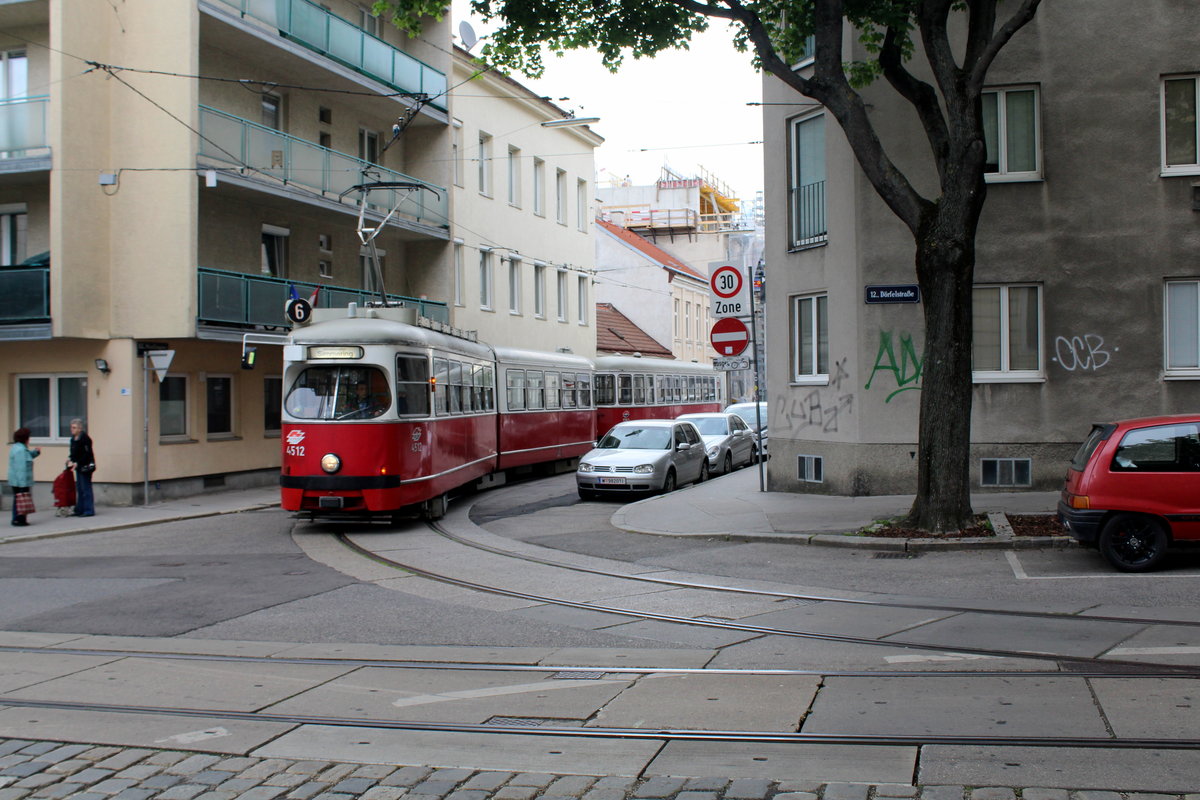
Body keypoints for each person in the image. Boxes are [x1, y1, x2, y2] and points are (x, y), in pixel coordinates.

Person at [8, 427, 40, 527]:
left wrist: (35, 452)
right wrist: (22, 485)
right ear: (25, 438)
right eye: (28, 437)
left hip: (16, 480)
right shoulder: (20, 450)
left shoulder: (19, 448)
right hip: (21, 481)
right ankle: (19, 520)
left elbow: (28, 456)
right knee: (21, 500)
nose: (29, 439)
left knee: (17, 500)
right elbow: (21, 468)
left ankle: (17, 519)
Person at [66, 418, 95, 517]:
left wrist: (78, 462)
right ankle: (80, 509)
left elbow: (87, 454)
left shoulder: (85, 438)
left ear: (80, 428)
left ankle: (88, 510)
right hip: (77, 466)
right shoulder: (73, 439)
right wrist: (70, 459)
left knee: (86, 488)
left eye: (74, 428)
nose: (72, 429)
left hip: (85, 465)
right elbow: (73, 452)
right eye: (71, 427)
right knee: (80, 488)